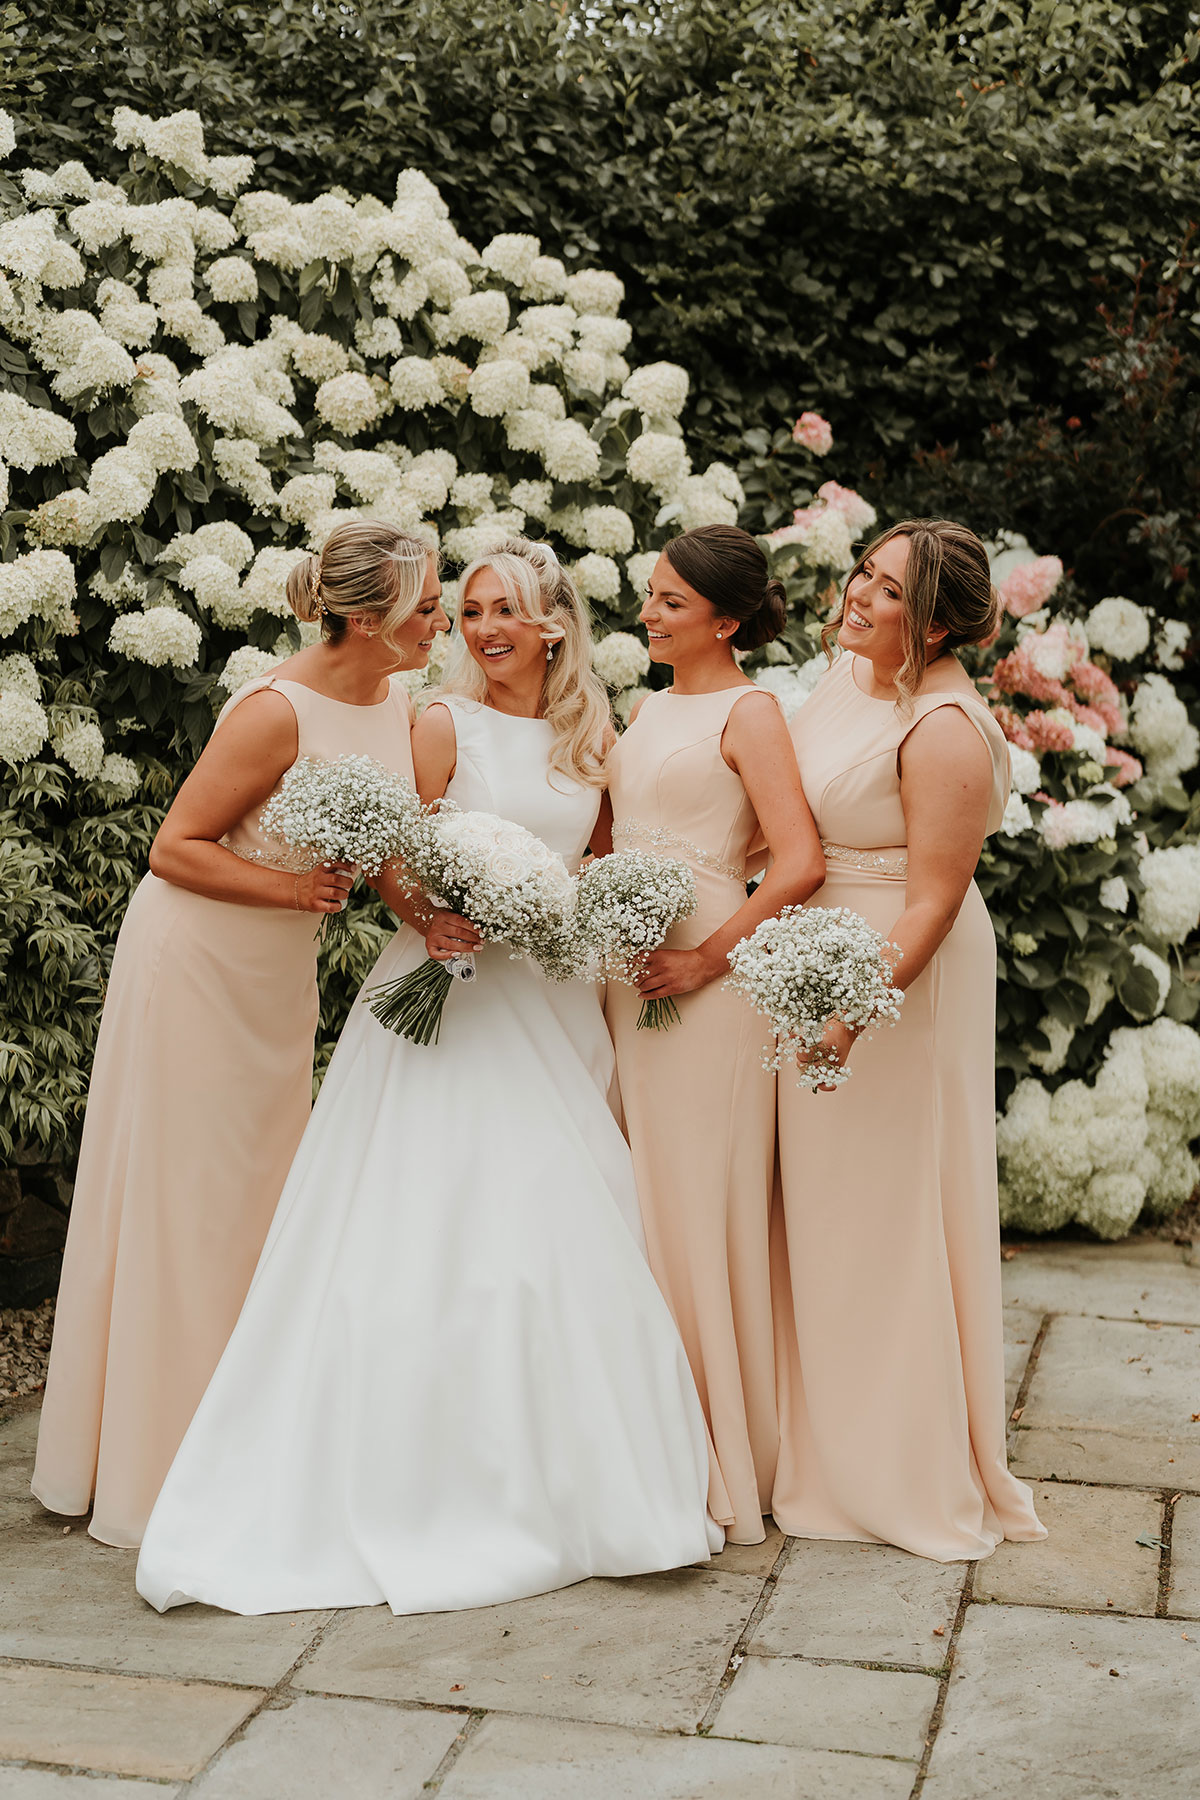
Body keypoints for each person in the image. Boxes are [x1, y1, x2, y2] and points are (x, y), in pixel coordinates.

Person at [135, 538, 721, 1618]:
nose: (482, 628)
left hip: (549, 994)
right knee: (424, 1215)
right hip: (449, 988)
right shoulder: (439, 722)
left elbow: (598, 853)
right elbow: (397, 856)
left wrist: (591, 907)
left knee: (565, 1211)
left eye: (504, 610)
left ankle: (578, 1473)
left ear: (553, 626)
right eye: (472, 610)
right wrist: (434, 914)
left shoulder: (594, 739)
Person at [32, 520, 444, 1548]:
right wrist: (293, 889)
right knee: (191, 1197)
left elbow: (383, 853)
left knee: (260, 1193)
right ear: (367, 619)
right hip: (198, 960)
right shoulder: (273, 709)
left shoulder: (394, 702)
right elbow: (176, 847)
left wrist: (438, 916)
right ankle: (153, 1458)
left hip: (275, 974)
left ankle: (243, 1426)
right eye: (428, 606)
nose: (440, 622)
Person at [771, 518, 1047, 1560]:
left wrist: (851, 1016)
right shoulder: (852, 677)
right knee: (823, 1209)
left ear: (933, 625)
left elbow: (932, 902)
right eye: (864, 573)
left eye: (887, 591)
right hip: (814, 957)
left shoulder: (944, 730)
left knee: (888, 1212)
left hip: (895, 980)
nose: (858, 595)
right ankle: (815, 1437)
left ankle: (896, 1466)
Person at [602, 524, 825, 1546]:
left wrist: (706, 960)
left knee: (701, 1208)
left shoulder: (753, 712)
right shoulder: (647, 707)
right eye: (651, 594)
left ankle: (729, 1457)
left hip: (709, 984)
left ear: (726, 622)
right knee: (643, 1202)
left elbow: (798, 862)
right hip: (629, 973)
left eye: (672, 603)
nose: (649, 613)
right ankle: (656, 1442)